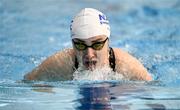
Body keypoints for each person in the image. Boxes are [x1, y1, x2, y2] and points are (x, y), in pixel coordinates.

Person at [24, 8, 152, 81]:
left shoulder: (126, 65)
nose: (89, 55)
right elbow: (27, 83)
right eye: (80, 45)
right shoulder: (61, 64)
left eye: (97, 44)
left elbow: (154, 95)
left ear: (108, 42)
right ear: (72, 44)